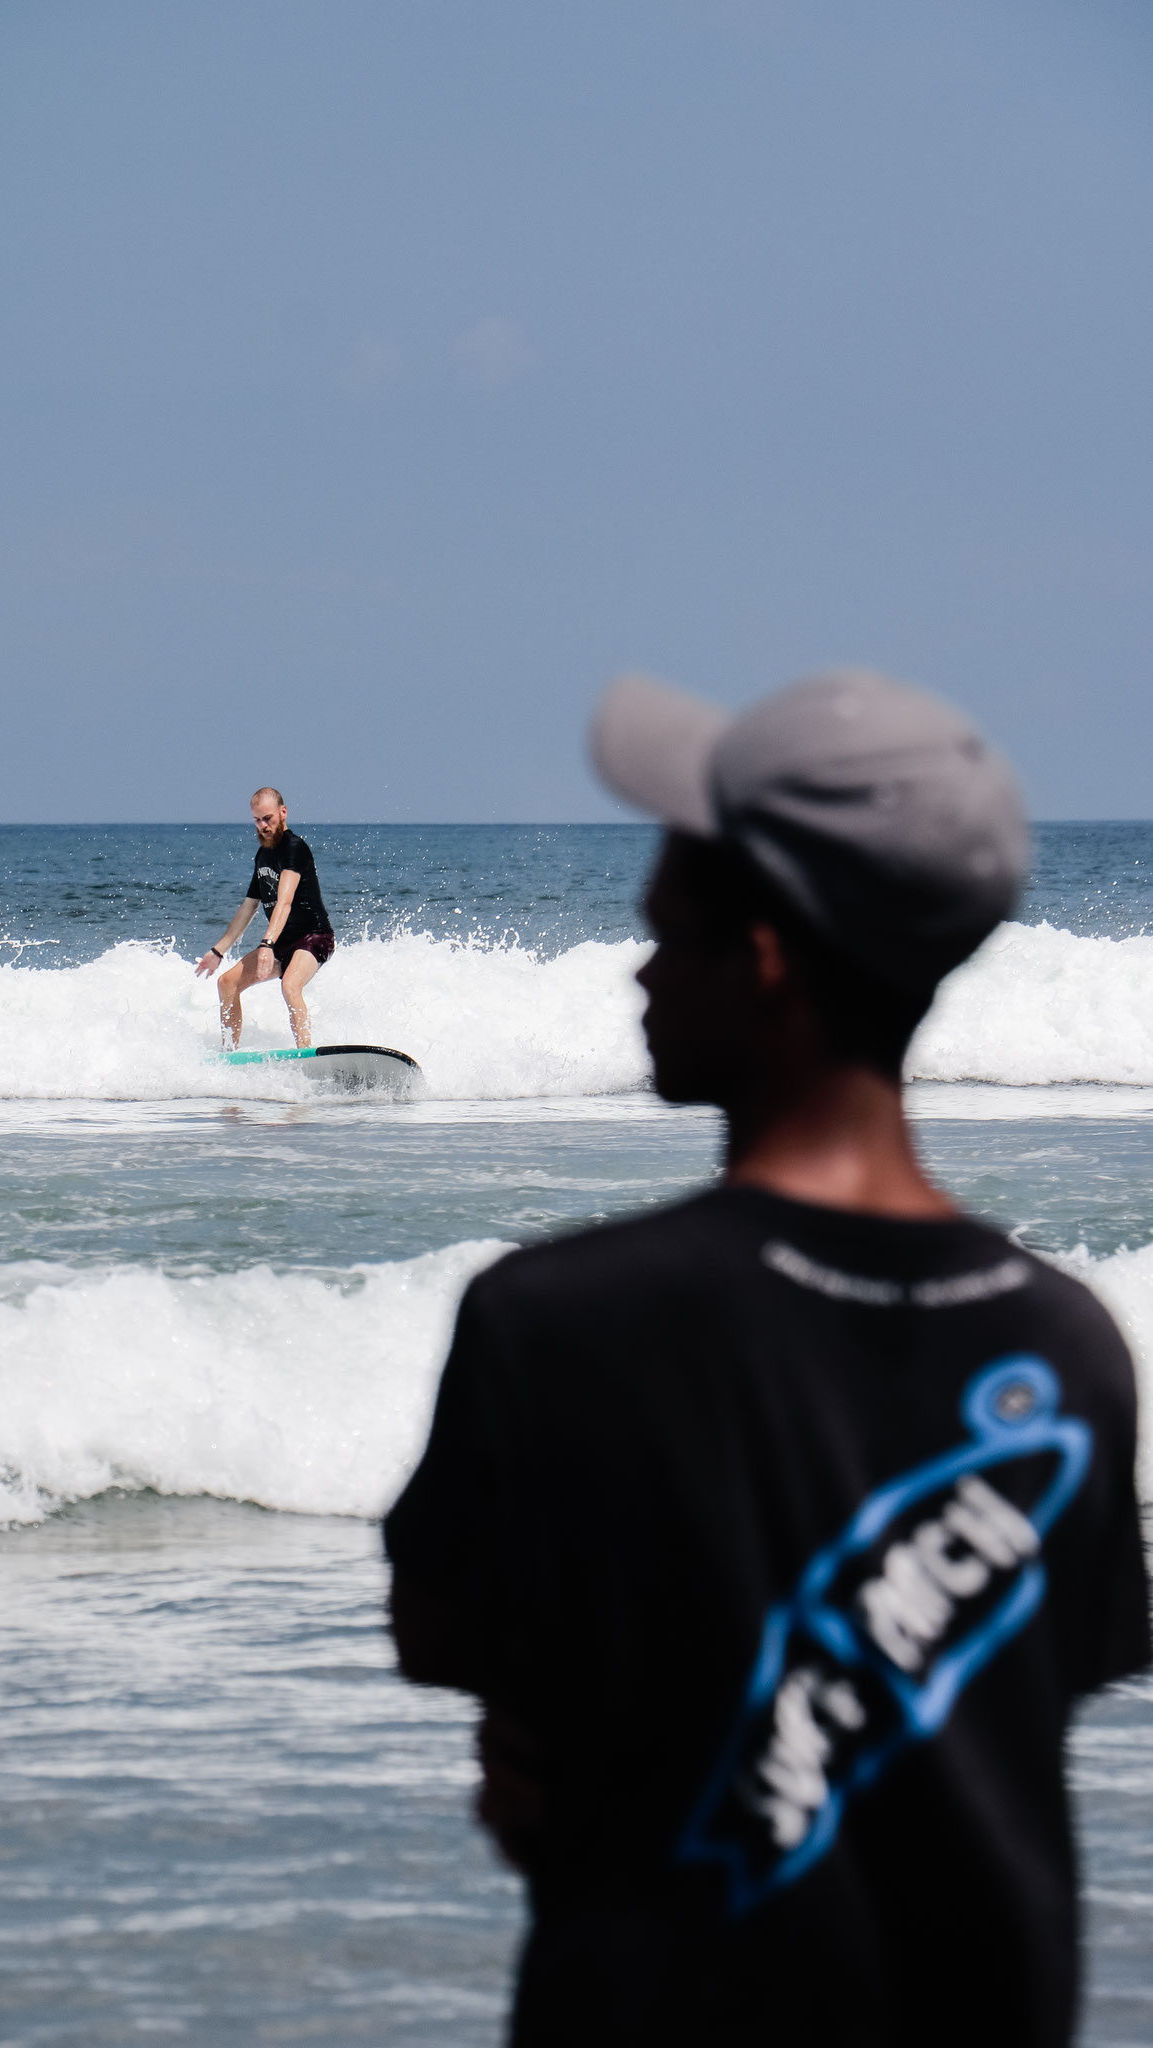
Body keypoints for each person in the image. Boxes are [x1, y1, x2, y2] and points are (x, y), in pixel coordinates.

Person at [383, 670, 1149, 2048]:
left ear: (771, 958)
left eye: (670, 926)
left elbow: (445, 1632)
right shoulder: (1067, 1344)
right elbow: (1054, 1671)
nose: (638, 961)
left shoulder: (558, 1319)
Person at [195, 787, 335, 1048]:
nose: (263, 826)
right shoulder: (262, 855)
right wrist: (218, 951)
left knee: (290, 986)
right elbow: (248, 907)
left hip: (314, 937)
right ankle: (229, 1055)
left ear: (283, 813)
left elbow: (285, 901)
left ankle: (307, 1056)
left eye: (268, 818)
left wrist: (267, 944)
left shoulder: (295, 848)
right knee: (227, 983)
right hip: (282, 942)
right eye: (257, 820)